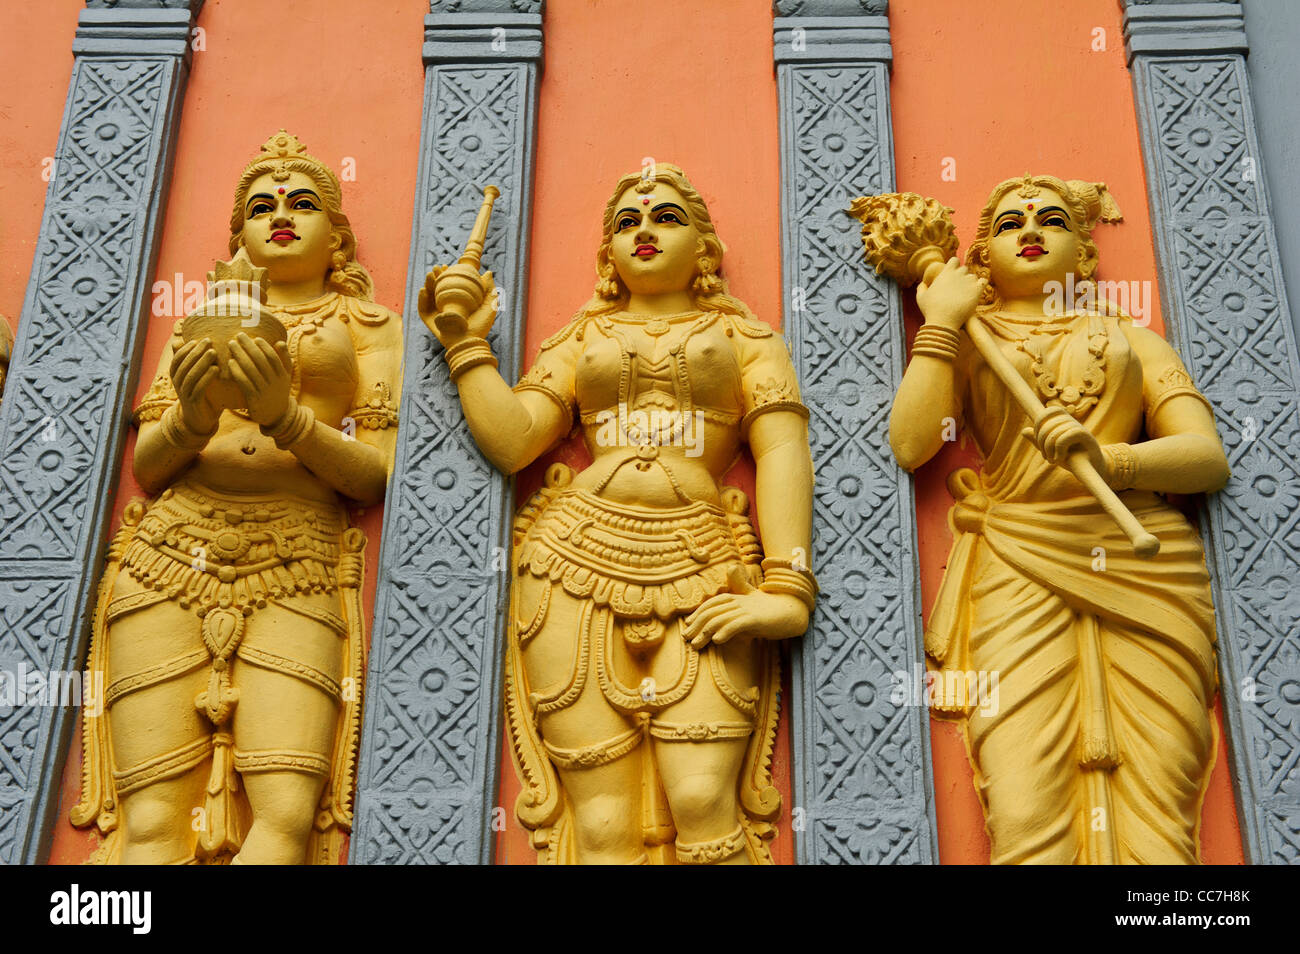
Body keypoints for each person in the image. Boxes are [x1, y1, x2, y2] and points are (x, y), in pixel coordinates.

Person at [421, 164, 816, 864]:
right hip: (573, 561)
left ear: (707, 248)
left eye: (666, 217)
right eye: (626, 223)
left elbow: (782, 449)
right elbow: (515, 441)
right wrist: (463, 342)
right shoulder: (584, 335)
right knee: (600, 822)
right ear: (607, 254)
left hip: (703, 566)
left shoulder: (748, 339)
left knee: (701, 800)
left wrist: (787, 589)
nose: (643, 230)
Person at [72, 131, 401, 864]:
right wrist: (192, 416)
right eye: (261, 206)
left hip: (297, 556)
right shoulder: (201, 317)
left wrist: (286, 416)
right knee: (152, 819)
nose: (280, 213)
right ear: (240, 237)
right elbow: (150, 466)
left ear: (337, 238)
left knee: (285, 807)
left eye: (303, 203)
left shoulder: (368, 327)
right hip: (169, 555)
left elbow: (374, 472)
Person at [890, 174, 1230, 864]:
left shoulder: (1130, 341)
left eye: (1049, 219)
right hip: (1019, 562)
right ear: (981, 258)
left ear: (1083, 254)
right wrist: (944, 323)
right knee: (1023, 799)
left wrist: (1115, 462)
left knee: (1162, 797)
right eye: (1008, 224)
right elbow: (909, 443)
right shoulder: (973, 334)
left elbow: (1206, 458)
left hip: (1145, 565)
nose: (1029, 230)